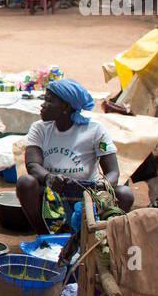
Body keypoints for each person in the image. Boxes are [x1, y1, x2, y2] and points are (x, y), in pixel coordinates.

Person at [15, 79, 133, 234]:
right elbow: (32, 164)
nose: (43, 105)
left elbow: (113, 172)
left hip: (87, 194)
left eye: (49, 100)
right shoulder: (40, 129)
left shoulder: (95, 131)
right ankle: (44, 235)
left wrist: (101, 186)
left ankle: (94, 235)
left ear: (66, 106)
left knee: (124, 194)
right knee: (26, 182)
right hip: (52, 194)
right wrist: (49, 177)